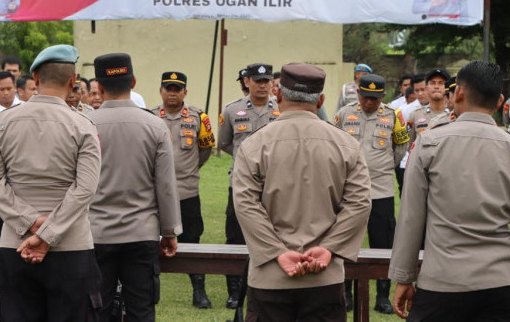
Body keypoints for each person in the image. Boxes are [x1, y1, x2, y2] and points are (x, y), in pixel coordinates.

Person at [234, 63, 371, 321]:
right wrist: (328, 248)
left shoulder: (254, 145)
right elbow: (359, 204)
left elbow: (245, 205)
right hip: (323, 274)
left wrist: (278, 252)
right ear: (320, 100)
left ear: (278, 95)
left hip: (270, 277)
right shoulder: (347, 145)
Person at [390, 61, 510, 321]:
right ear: (500, 101)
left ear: (458, 93)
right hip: (502, 280)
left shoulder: (430, 143)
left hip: (444, 280)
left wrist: (403, 277)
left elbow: (411, 217)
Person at [0, 44, 102, 321]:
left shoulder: (4, 122)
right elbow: (84, 189)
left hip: (17, 240)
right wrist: (47, 233)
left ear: (34, 78)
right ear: (73, 82)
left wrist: (30, 222)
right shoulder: (83, 126)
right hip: (70, 243)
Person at [88, 53, 182, 321]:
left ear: (100, 86)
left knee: (97, 308)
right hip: (141, 233)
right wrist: (169, 231)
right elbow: (165, 184)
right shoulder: (155, 125)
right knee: (141, 309)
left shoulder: (85, 124)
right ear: (134, 82)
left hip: (96, 232)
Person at [334, 73, 409, 313]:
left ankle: (383, 296)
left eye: (374, 99)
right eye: (366, 98)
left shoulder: (393, 115)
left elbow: (401, 146)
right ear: (358, 94)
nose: (369, 103)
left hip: (381, 187)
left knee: (383, 241)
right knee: (345, 239)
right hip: (348, 187)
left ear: (383, 96)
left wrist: (384, 166)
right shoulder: (344, 114)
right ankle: (345, 293)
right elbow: (333, 144)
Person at [151, 71, 215, 309]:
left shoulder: (199, 117)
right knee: (150, 241)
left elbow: (206, 149)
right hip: (156, 193)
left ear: (184, 92)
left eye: (177, 89)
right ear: (161, 91)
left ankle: (199, 291)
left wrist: (190, 170)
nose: (172, 93)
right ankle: (149, 290)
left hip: (187, 191)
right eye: (168, 88)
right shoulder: (149, 116)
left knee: (192, 241)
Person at [218, 62, 280, 308]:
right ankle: (234, 291)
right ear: (247, 82)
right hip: (241, 184)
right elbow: (224, 143)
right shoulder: (232, 110)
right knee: (235, 237)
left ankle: (272, 286)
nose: (263, 86)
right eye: (258, 81)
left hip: (274, 185)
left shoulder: (281, 110)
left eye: (267, 82)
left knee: (274, 235)